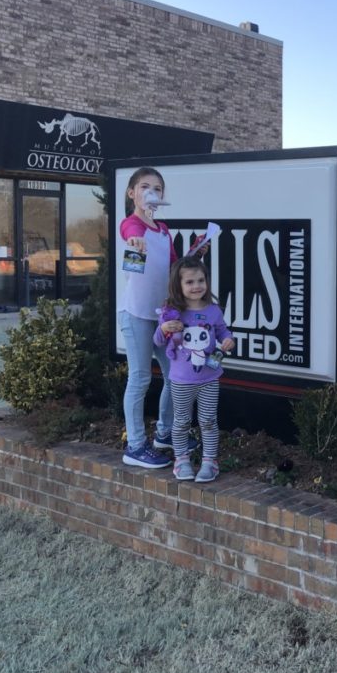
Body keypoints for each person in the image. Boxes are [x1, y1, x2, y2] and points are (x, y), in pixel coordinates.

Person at [118, 166, 186, 469]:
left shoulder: (164, 230)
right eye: (145, 187)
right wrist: (136, 241)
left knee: (175, 375)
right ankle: (135, 446)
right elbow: (131, 233)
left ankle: (165, 433)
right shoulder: (131, 225)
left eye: (157, 189)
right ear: (132, 193)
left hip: (161, 316)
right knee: (140, 377)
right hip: (135, 314)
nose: (151, 193)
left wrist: (196, 253)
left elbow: (173, 268)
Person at [154, 256, 234, 482]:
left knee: (208, 420)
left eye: (201, 280)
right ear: (178, 285)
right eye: (189, 282)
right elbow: (158, 341)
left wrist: (229, 340)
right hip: (181, 380)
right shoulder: (171, 311)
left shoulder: (214, 311)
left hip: (210, 378)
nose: (196, 286)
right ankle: (181, 460)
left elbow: (223, 332)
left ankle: (210, 461)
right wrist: (163, 328)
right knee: (181, 421)